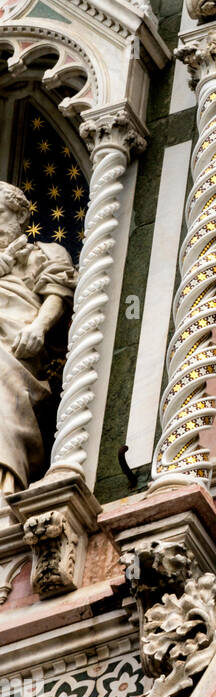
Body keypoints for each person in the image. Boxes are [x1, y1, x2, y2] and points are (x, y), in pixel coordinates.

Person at [0, 182, 76, 494]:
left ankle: (5, 485)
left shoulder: (45, 252)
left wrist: (39, 328)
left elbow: (57, 294)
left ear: (18, 217)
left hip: (15, 350)